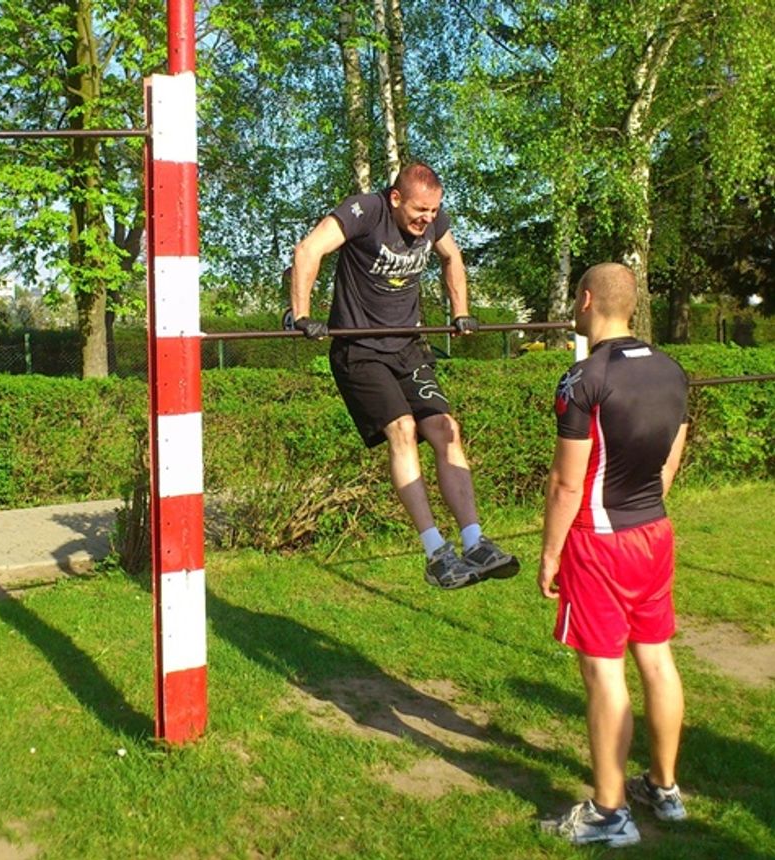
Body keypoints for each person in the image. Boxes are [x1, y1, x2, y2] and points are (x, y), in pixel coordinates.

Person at [290, 161, 518, 589]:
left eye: (434, 212)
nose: (427, 220)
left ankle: (475, 542)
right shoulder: (365, 211)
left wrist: (461, 312)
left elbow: (453, 257)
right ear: (395, 198)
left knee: (445, 427)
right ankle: (436, 552)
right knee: (402, 428)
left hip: (408, 347)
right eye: (419, 211)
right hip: (360, 351)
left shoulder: (434, 220)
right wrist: (301, 315)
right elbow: (308, 250)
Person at [538, 263, 689, 847]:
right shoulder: (673, 371)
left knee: (604, 670)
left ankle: (609, 811)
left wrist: (551, 553)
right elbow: (672, 456)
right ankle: (665, 788)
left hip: (599, 541)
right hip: (653, 530)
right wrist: (643, 509)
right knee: (656, 656)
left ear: (587, 299)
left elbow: (565, 484)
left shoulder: (582, 378)